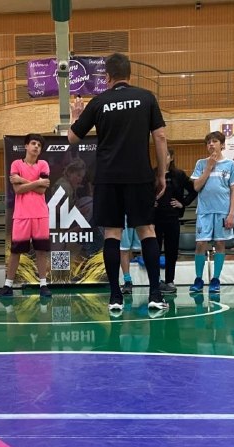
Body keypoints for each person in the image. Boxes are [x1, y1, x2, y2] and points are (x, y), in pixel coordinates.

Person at [68, 52, 168, 312]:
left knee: (112, 234)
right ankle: (155, 294)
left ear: (107, 77)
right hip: (139, 176)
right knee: (147, 230)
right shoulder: (146, 97)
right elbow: (160, 138)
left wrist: (75, 116)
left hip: (108, 178)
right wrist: (161, 173)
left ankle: (115, 297)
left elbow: (73, 138)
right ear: (130, 74)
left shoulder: (99, 102)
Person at [0, 133, 52, 299]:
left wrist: (23, 180)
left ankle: (43, 285)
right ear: (26, 146)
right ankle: (8, 285)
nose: (36, 147)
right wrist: (37, 182)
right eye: (33, 143)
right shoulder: (16, 164)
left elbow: (42, 190)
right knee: (15, 251)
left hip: (40, 214)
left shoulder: (43, 164)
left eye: (39, 145)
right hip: (21, 215)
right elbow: (18, 190)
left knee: (41, 251)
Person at [189, 131, 234, 294]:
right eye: (208, 142)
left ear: (222, 145)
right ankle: (198, 279)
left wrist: (231, 214)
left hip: (223, 212)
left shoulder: (230, 165)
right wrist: (208, 168)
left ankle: (216, 279)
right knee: (200, 244)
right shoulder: (200, 163)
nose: (211, 144)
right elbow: (196, 187)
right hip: (204, 211)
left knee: (219, 244)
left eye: (215, 141)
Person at [155, 148, 196, 295]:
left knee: (171, 251)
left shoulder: (179, 175)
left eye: (166, 155)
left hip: (172, 218)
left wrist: (182, 203)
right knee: (154, 250)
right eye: (160, 154)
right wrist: (150, 202)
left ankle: (169, 281)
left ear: (171, 157)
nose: (163, 157)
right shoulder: (153, 174)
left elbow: (194, 190)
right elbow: (144, 192)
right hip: (155, 218)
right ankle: (155, 281)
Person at [119, 218, 140, 295]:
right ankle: (127, 280)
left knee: (147, 245)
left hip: (142, 214)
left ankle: (156, 280)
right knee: (124, 249)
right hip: (125, 215)